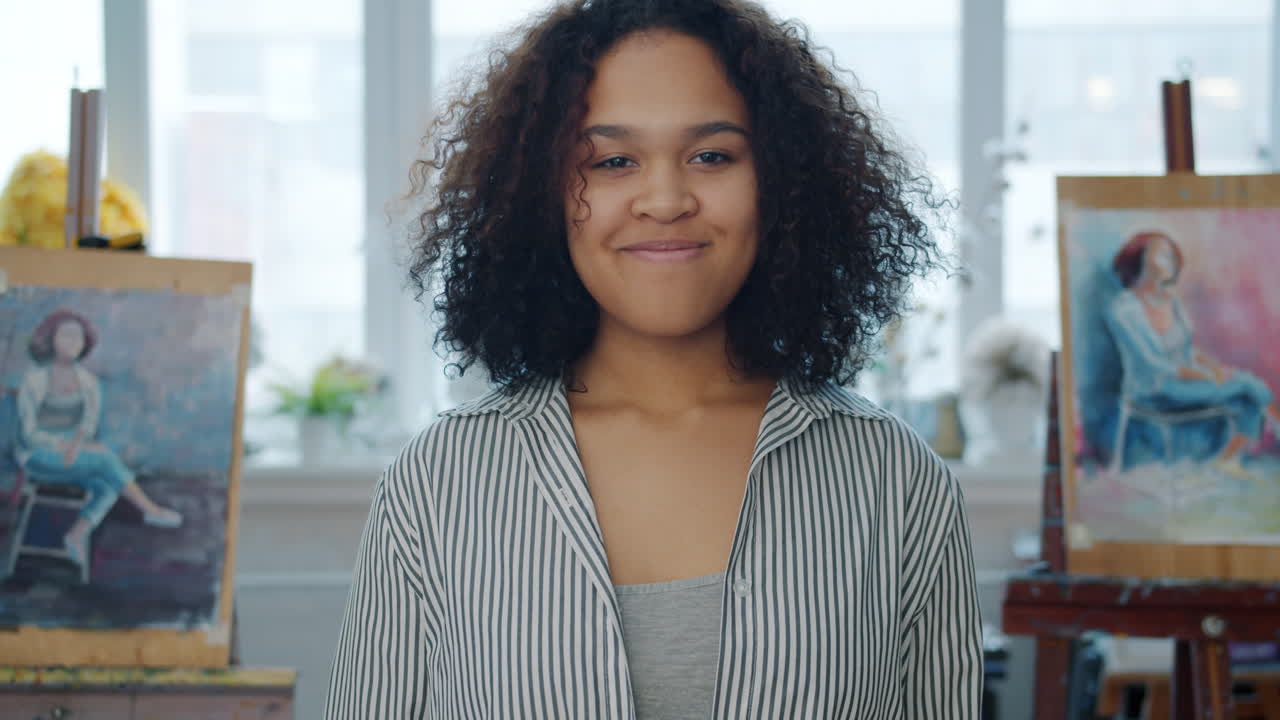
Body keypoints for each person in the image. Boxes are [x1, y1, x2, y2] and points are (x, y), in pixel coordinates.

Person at [326, 0, 981, 717]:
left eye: (711, 156)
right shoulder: (436, 486)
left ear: (784, 185)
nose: (665, 199)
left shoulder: (896, 481)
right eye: (612, 161)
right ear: (541, 195)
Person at [16, 309, 183, 569]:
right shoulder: (34, 380)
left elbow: (87, 426)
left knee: (107, 485)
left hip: (72, 455)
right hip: (37, 455)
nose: (73, 341)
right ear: (51, 339)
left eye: (78, 337)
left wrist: (76, 446)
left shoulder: (89, 383)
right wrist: (62, 446)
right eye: (66, 335)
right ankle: (151, 510)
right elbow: (29, 433)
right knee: (105, 460)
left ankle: (76, 534)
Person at [1106, 231, 1278, 471]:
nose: (1171, 263)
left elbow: (1188, 350)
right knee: (1248, 387)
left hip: (1183, 384)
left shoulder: (1170, 301)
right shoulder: (1123, 309)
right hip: (1152, 392)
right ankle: (1238, 454)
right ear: (1140, 259)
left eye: (1172, 257)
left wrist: (1214, 368)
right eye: (1163, 256)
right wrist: (1205, 376)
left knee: (1246, 391)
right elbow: (1153, 365)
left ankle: (1228, 459)